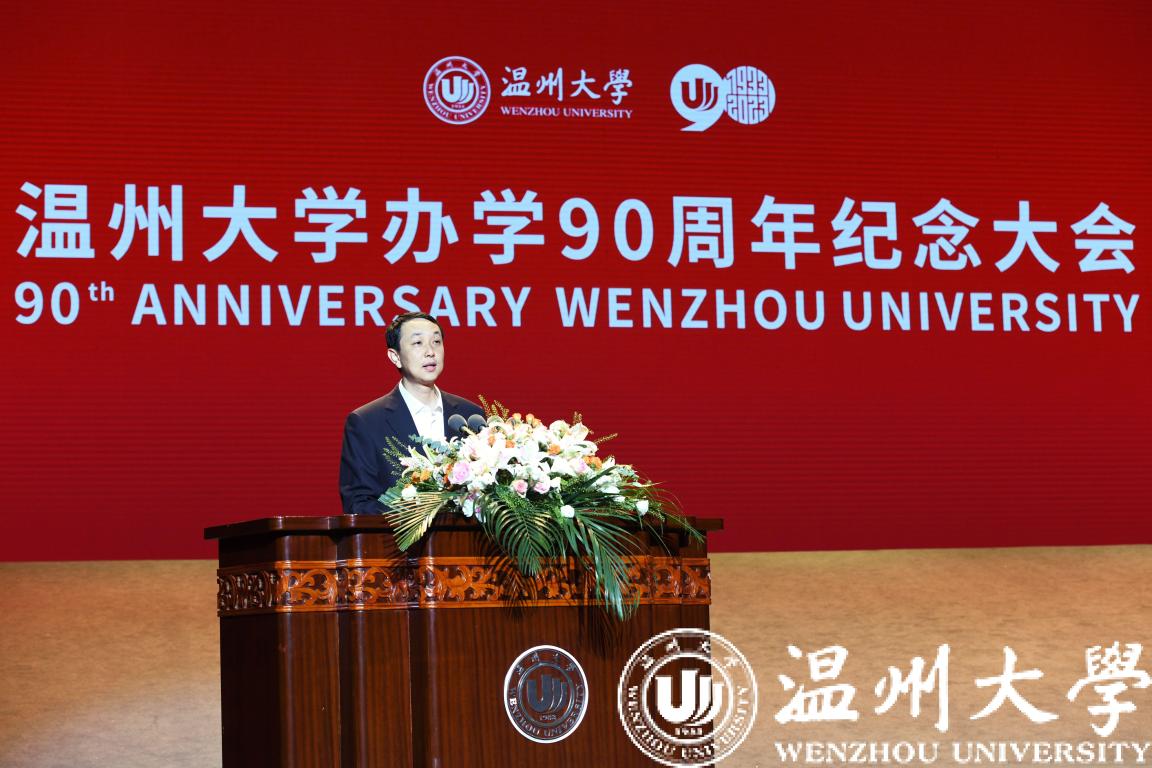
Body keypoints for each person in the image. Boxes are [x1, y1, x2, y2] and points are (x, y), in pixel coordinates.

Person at [339, 312, 483, 515]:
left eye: (436, 342)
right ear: (395, 356)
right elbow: (359, 505)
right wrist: (418, 511)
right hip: (398, 535)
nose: (430, 352)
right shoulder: (367, 422)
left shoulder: (471, 416)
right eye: (417, 343)